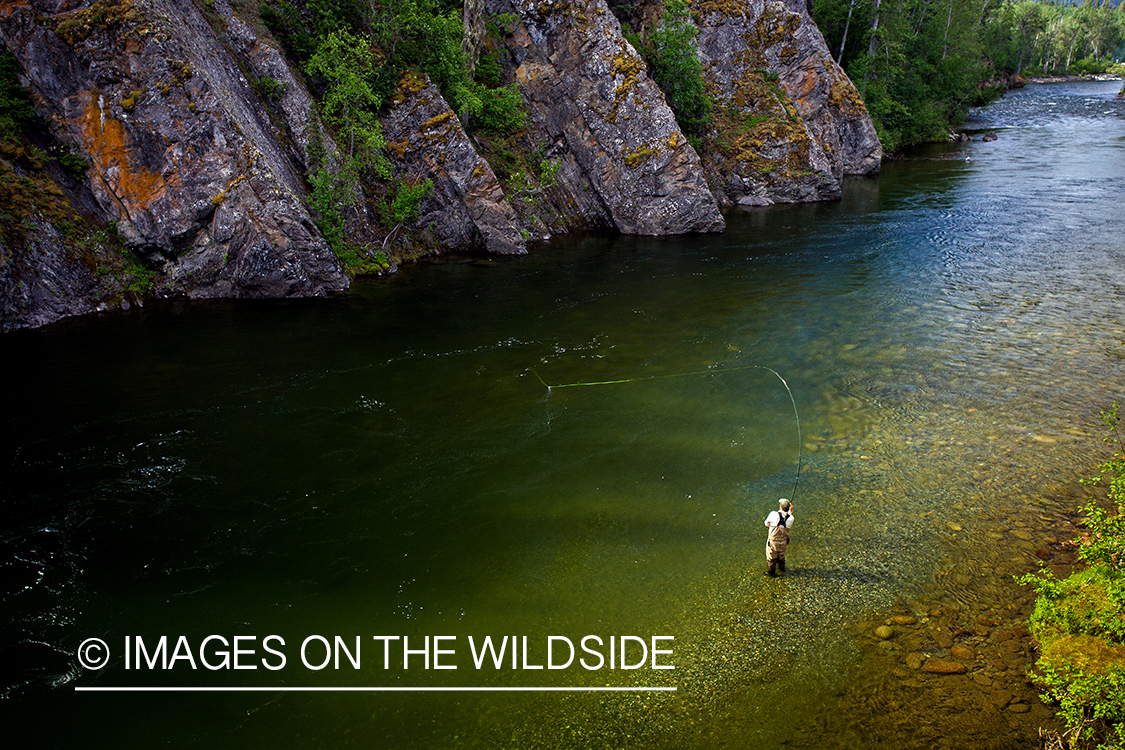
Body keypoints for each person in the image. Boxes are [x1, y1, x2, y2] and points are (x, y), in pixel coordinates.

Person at [764, 498, 794, 577]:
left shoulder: (773, 514)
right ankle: (782, 570)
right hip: (784, 542)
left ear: (780, 506)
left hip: (773, 542)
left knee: (771, 558)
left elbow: (766, 524)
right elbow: (788, 517)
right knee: (781, 557)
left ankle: (771, 573)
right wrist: (790, 511)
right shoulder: (791, 518)